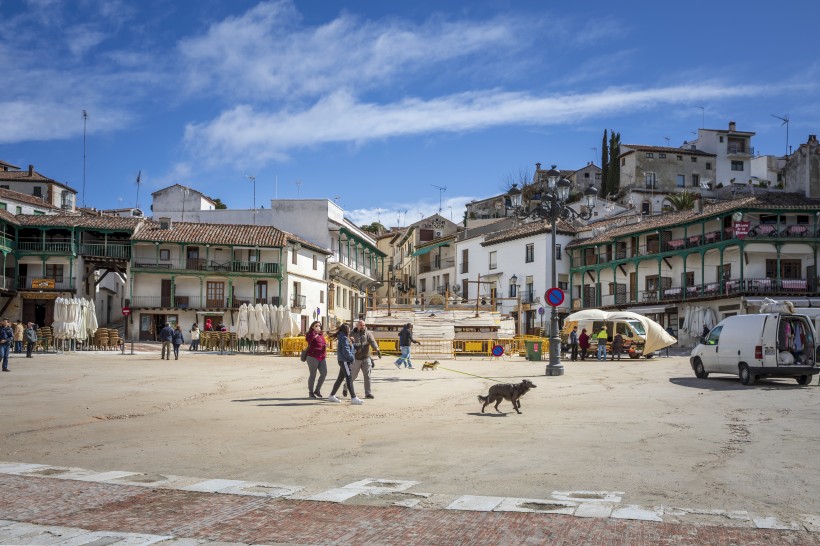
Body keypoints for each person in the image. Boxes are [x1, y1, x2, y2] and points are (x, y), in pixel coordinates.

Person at [327, 324, 363, 405]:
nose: (350, 330)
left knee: (340, 379)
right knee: (349, 378)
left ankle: (332, 395)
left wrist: (351, 342)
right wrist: (352, 358)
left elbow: (348, 348)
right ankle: (353, 398)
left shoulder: (344, 337)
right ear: (346, 330)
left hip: (343, 360)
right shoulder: (343, 338)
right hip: (345, 361)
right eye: (349, 329)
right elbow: (346, 351)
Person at [349, 319, 381, 399]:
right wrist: (352, 346)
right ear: (357, 325)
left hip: (366, 357)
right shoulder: (352, 334)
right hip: (356, 358)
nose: (362, 327)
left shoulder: (368, 333)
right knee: (353, 376)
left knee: (367, 376)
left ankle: (368, 393)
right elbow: (347, 343)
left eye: (364, 325)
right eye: (361, 325)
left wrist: (377, 349)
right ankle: (346, 386)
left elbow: (373, 342)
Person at [305, 321, 328, 399]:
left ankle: (317, 390)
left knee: (324, 373)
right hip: (312, 357)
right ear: (312, 327)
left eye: (319, 326)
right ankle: (311, 392)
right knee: (313, 375)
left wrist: (325, 346)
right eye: (316, 326)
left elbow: (322, 344)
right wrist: (314, 332)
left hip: (321, 357)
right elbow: (308, 340)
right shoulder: (310, 334)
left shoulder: (321, 335)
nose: (318, 327)